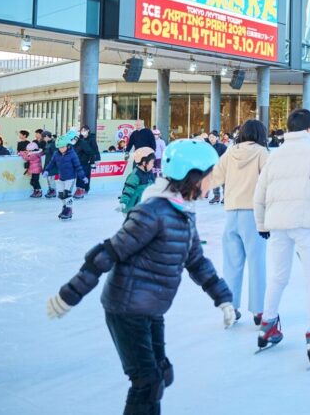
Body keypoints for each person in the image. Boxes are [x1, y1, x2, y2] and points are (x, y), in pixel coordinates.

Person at [45, 139, 235, 414]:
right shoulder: (153, 212)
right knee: (147, 381)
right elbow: (109, 252)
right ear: (191, 176)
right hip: (126, 308)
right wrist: (68, 295)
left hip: (150, 307)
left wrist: (223, 298)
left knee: (160, 375)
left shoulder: (183, 213)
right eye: (209, 176)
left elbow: (196, 261)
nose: (212, 183)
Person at [252, 108, 310, 364]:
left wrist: (261, 223)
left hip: (277, 224)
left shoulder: (275, 154)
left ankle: (268, 324)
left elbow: (260, 192)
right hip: (306, 224)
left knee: (278, 276)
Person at [210, 119, 270, 324]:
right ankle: (259, 310)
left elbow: (214, 177)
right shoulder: (262, 153)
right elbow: (269, 181)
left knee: (231, 265)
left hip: (231, 214)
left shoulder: (230, 152)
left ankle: (231, 308)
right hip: (253, 215)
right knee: (257, 263)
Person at [43, 132, 86, 220]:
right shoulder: (56, 154)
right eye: (59, 148)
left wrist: (83, 177)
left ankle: (69, 209)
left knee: (67, 194)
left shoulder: (72, 154)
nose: (61, 149)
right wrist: (47, 170)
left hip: (70, 178)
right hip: (61, 177)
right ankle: (65, 207)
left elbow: (78, 166)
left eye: (63, 147)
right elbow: (51, 163)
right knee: (61, 195)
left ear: (67, 145)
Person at [118, 147, 156, 214]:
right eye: (152, 162)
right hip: (131, 210)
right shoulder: (135, 176)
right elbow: (128, 189)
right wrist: (123, 202)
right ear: (144, 163)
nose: (153, 165)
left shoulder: (150, 174)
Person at [73, 125, 100, 198]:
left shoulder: (91, 139)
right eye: (81, 130)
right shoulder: (80, 139)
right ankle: (80, 189)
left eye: (84, 130)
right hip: (80, 159)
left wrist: (96, 159)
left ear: (88, 131)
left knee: (85, 174)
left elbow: (95, 149)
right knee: (81, 174)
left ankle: (84, 188)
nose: (83, 132)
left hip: (88, 159)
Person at [207, 131, 228, 204]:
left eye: (213, 137)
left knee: (224, 183)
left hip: (221, 167)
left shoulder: (222, 146)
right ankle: (216, 197)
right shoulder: (208, 147)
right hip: (212, 168)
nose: (211, 138)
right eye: (210, 137)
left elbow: (227, 155)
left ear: (217, 138)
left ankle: (225, 198)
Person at [42, 132, 57, 198]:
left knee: (51, 178)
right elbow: (46, 151)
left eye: (44, 137)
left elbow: (55, 154)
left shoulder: (53, 143)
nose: (43, 139)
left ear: (47, 136)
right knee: (48, 177)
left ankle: (53, 191)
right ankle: (50, 189)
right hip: (47, 162)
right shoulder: (48, 143)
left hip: (52, 163)